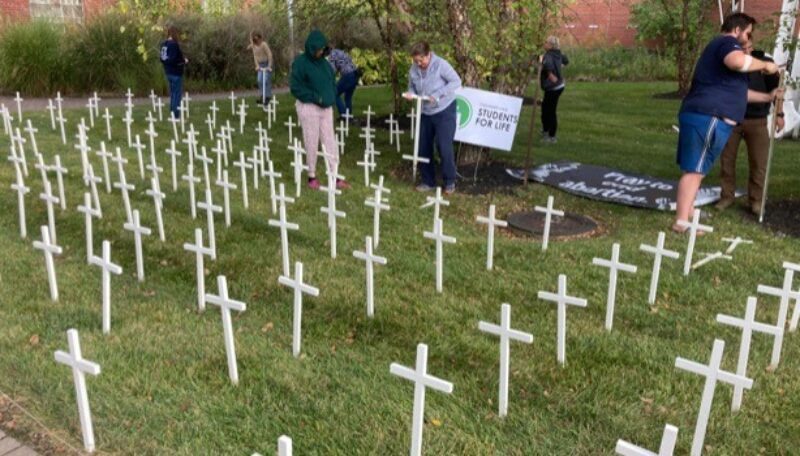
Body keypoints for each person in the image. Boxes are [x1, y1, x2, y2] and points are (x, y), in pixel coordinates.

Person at [672, 13, 780, 232]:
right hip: (709, 116)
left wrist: (769, 97)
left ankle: (688, 214)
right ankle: (681, 222)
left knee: (697, 170)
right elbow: (737, 62)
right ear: (738, 29)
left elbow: (741, 93)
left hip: (705, 115)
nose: (749, 38)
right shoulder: (727, 43)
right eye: (748, 33)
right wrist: (765, 66)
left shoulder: (721, 48)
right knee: (694, 171)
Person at [716, 40, 784, 216]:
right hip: (732, 119)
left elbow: (777, 89)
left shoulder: (763, 63)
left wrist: (779, 115)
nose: (747, 51)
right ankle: (726, 197)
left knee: (759, 163)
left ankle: (755, 200)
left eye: (750, 48)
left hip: (758, 120)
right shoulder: (730, 63)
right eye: (743, 48)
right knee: (727, 161)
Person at [290, 29, 349, 190]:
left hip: (326, 108)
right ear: (311, 48)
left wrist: (331, 95)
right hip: (309, 107)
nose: (321, 52)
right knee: (311, 139)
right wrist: (316, 97)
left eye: (322, 49)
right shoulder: (300, 64)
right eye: (318, 49)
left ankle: (334, 174)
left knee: (329, 140)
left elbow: (331, 82)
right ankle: (312, 175)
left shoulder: (325, 65)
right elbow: (295, 87)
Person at [403, 41, 462, 194]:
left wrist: (437, 95)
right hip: (425, 111)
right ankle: (428, 181)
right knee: (423, 146)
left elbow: (456, 81)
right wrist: (410, 93)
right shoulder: (414, 69)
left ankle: (449, 182)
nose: (418, 63)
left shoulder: (441, 65)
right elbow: (411, 85)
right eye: (415, 61)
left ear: (428, 55)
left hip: (444, 110)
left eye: (421, 60)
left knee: (443, 146)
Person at [540, 36, 569, 143]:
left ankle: (551, 136)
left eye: (546, 42)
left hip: (553, 87)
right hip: (559, 86)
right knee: (545, 108)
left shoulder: (547, 56)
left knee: (550, 111)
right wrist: (560, 66)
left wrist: (550, 73)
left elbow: (547, 66)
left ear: (551, 45)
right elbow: (566, 61)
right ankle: (546, 130)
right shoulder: (558, 53)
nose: (544, 43)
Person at [160, 26, 188, 119]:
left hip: (167, 71)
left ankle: (172, 111)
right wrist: (184, 60)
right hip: (176, 72)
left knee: (172, 93)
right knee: (177, 94)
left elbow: (163, 58)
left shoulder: (164, 44)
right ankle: (175, 115)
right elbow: (176, 59)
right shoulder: (174, 45)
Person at [327, 44, 360, 120]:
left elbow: (332, 71)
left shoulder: (332, 55)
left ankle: (344, 115)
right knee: (348, 97)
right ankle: (349, 117)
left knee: (335, 93)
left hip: (348, 75)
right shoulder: (340, 52)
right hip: (355, 74)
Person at [249, 32, 274, 105]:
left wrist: (269, 65)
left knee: (266, 80)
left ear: (260, 39)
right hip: (260, 65)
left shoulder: (264, 44)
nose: (257, 42)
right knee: (259, 80)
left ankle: (267, 97)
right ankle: (262, 96)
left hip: (267, 63)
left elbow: (269, 54)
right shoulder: (254, 46)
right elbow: (255, 57)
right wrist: (257, 66)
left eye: (258, 40)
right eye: (255, 40)